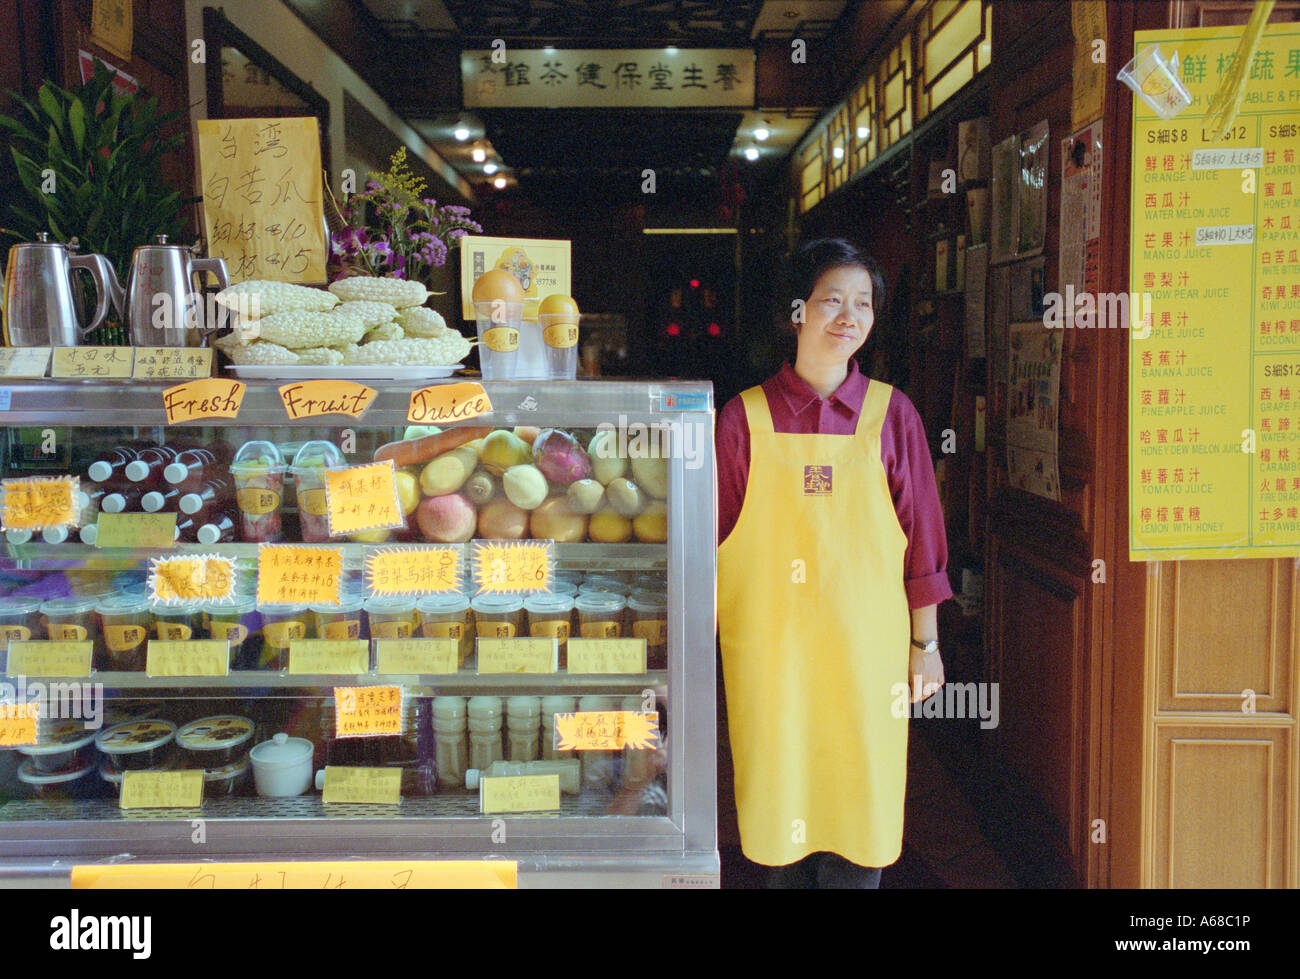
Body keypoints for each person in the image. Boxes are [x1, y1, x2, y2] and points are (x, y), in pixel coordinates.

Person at [715, 238, 952, 889]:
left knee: (859, 828)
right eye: (831, 301)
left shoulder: (892, 415)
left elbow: (924, 546)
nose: (849, 316)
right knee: (780, 829)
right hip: (773, 662)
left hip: (866, 662)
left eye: (864, 303)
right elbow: (711, 548)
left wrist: (924, 644)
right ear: (796, 310)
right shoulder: (744, 419)